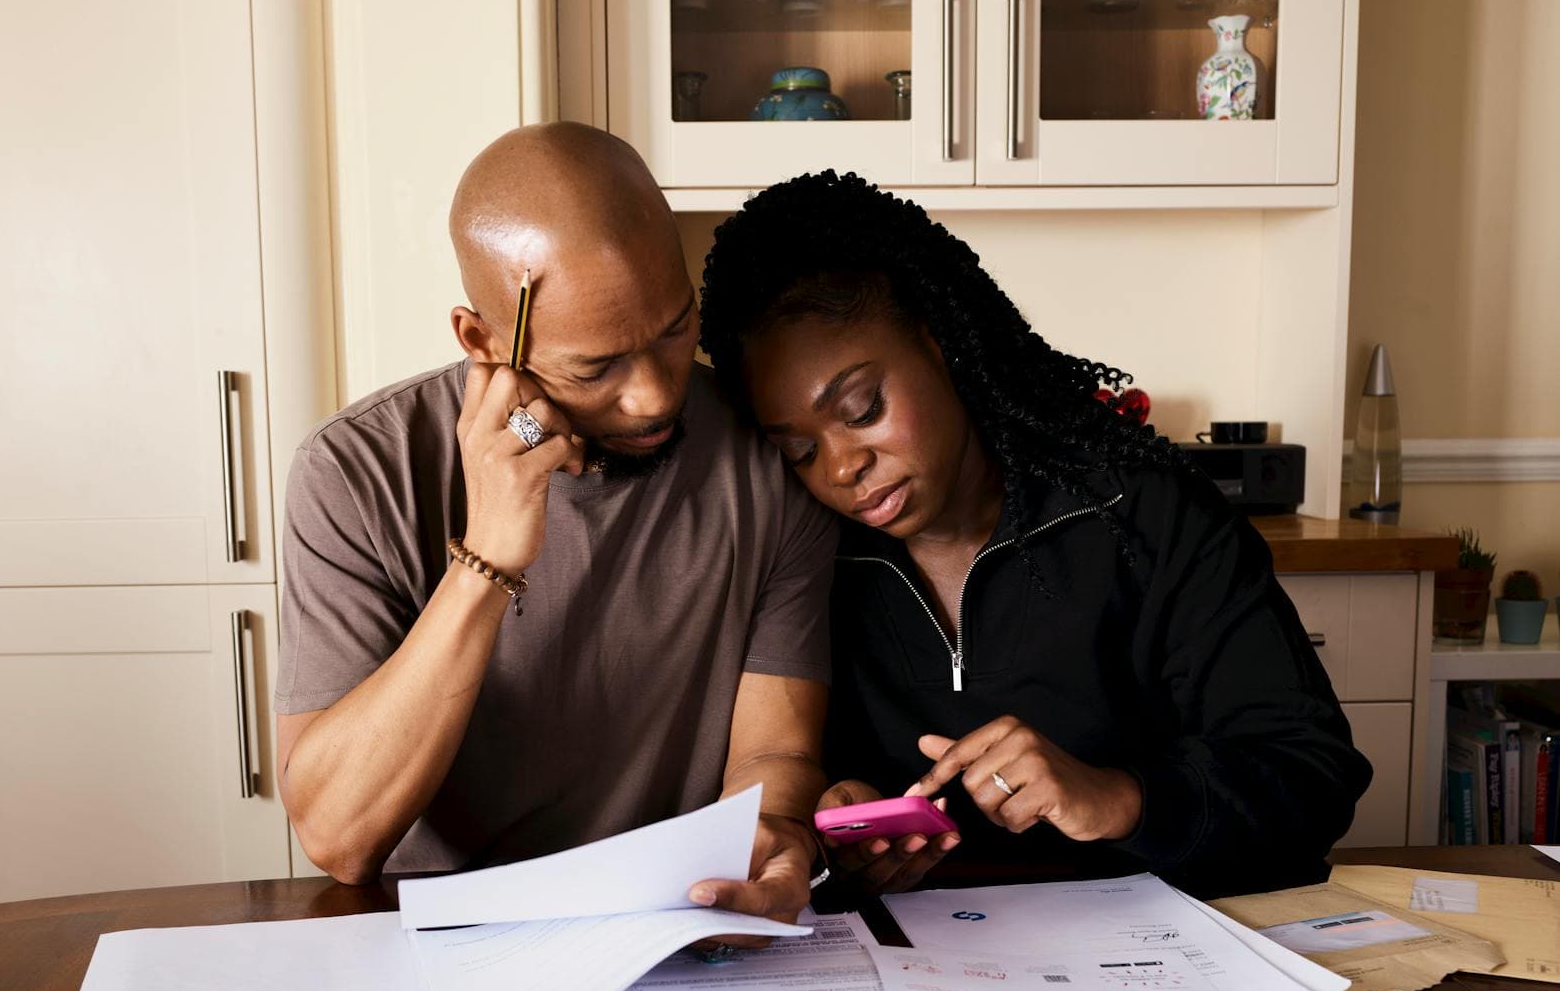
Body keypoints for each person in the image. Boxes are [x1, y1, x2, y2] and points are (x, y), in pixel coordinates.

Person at [698, 171, 1371, 899]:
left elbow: (1311, 777)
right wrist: (839, 823)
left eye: (862, 409)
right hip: (909, 970)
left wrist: (1116, 798)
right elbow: (785, 779)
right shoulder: (807, 557)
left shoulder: (1141, 512)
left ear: (940, 343)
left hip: (1154, 954)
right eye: (797, 450)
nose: (840, 467)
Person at [273, 125, 834, 936]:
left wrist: (775, 833)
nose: (651, 397)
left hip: (674, 924)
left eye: (674, 330)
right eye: (595, 367)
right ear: (481, 340)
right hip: (436, 938)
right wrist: (490, 555)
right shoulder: (355, 471)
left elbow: (771, 753)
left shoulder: (768, 454)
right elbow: (339, 838)